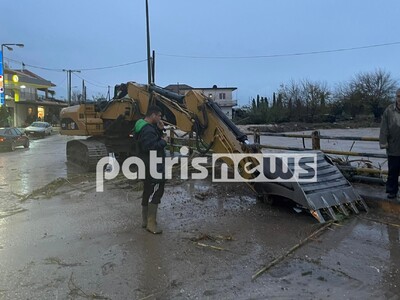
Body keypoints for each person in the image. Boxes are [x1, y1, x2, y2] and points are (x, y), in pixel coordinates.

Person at [133, 105, 167, 234]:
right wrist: (164, 141)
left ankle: (145, 221)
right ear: (153, 115)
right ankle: (151, 223)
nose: (160, 118)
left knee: (147, 190)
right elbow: (150, 147)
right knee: (157, 191)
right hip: (153, 165)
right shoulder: (148, 130)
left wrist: (159, 130)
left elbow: (148, 141)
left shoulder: (142, 126)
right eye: (159, 116)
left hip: (145, 164)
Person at [379, 88, 400, 199]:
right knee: (393, 170)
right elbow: (384, 128)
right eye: (399, 96)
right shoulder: (389, 110)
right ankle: (392, 191)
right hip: (393, 145)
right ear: (396, 97)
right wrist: (383, 143)